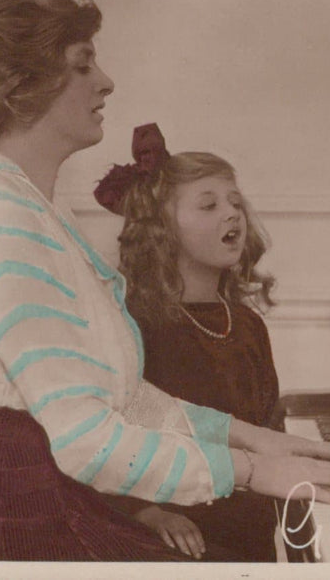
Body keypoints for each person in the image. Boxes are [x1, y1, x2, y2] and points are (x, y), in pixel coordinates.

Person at [0, 0, 330, 562]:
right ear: (27, 88)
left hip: (33, 491)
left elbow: (123, 398)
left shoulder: (34, 206)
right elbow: (87, 440)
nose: (106, 81)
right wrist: (254, 471)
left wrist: (259, 440)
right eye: (83, 65)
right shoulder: (4, 224)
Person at [94, 125, 282, 561]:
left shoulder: (249, 324)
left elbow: (267, 429)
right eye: (208, 205)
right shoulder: (139, 324)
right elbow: (103, 441)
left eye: (235, 202)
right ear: (163, 227)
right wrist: (148, 514)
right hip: (177, 539)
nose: (232, 213)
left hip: (249, 525)